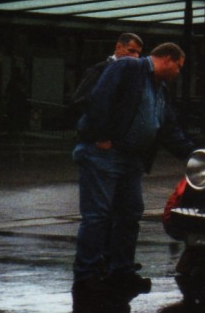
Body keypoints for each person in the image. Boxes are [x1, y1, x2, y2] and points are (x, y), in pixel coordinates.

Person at [72, 42, 195, 299]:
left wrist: (195, 155)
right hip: (105, 156)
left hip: (130, 159)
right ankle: (88, 275)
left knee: (129, 214)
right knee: (98, 216)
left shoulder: (160, 89)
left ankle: (122, 271)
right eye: (179, 67)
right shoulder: (129, 66)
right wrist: (101, 134)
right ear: (168, 59)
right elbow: (101, 97)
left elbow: (168, 127)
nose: (179, 73)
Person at [69, 33, 143, 116]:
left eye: (138, 53)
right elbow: (79, 101)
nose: (136, 56)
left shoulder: (135, 73)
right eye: (131, 51)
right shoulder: (99, 70)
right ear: (119, 47)